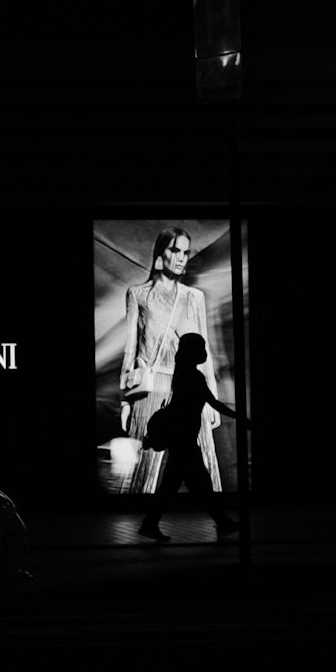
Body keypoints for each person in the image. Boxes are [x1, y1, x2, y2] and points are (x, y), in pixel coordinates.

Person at [118, 227, 221, 494]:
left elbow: (204, 350)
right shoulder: (138, 294)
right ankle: (143, 522)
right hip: (150, 390)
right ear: (160, 253)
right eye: (175, 250)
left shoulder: (193, 297)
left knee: (203, 463)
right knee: (144, 475)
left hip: (188, 390)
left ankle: (216, 518)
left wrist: (213, 398)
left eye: (186, 252)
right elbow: (130, 349)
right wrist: (125, 399)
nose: (181, 258)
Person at [139, 333, 247, 543]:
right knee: (197, 485)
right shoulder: (194, 377)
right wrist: (240, 417)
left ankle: (150, 524)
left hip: (182, 439)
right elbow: (212, 403)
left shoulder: (182, 374)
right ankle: (221, 522)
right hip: (185, 440)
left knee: (178, 486)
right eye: (201, 347)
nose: (204, 351)